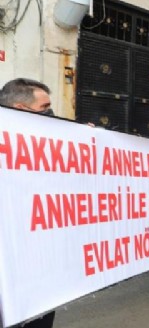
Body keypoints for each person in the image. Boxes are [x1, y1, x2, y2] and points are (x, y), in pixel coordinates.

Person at [0, 78, 57, 327]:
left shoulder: (49, 143)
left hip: (38, 272)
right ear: (21, 109)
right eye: (44, 107)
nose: (50, 113)